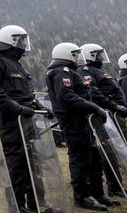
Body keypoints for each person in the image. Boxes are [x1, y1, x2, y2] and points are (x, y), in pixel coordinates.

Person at [0, 25, 53, 213]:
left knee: (33, 164)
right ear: (10, 41)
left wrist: (40, 107)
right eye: (20, 40)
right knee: (17, 166)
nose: (23, 44)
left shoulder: (19, 65)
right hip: (12, 124)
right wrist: (19, 109)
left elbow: (28, 95)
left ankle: (37, 204)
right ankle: (17, 206)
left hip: (28, 123)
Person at [46, 43, 113, 211]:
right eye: (75, 55)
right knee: (80, 160)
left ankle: (97, 193)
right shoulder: (62, 72)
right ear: (66, 55)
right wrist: (94, 107)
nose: (78, 58)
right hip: (73, 122)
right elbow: (67, 97)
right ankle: (82, 197)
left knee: (94, 157)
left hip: (82, 121)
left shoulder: (71, 73)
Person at [79, 43, 127, 199]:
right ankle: (114, 186)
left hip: (113, 116)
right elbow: (95, 93)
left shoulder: (100, 71)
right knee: (108, 152)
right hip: (102, 117)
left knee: (118, 150)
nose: (101, 57)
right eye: (97, 54)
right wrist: (115, 106)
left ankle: (118, 184)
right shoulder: (85, 72)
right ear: (89, 55)